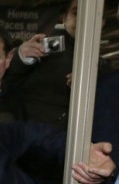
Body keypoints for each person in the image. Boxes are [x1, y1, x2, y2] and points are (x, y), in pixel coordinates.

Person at [7, 0, 108, 131]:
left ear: (102, 22)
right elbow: (6, 84)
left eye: (94, 15)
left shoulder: (105, 67)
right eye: (76, 13)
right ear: (64, 18)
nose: (84, 20)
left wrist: (95, 86)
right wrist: (20, 57)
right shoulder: (40, 49)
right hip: (38, 142)